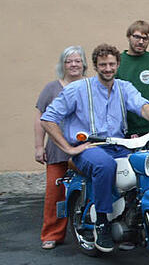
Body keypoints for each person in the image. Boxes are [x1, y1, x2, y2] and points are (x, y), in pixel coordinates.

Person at [40, 44, 149, 253]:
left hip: (117, 144)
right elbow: (48, 119)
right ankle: (101, 222)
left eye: (111, 64)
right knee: (104, 166)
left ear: (117, 65)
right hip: (89, 147)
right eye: (103, 64)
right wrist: (69, 148)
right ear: (95, 66)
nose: (107, 68)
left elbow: (141, 105)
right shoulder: (77, 90)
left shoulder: (124, 87)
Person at [34, 46, 87, 250]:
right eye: (69, 61)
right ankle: (52, 234)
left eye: (77, 60)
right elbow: (40, 118)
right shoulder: (51, 88)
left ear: (83, 64)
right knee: (55, 194)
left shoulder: (91, 86)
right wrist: (39, 146)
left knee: (87, 191)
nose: (73, 64)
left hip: (84, 149)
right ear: (62, 65)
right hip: (57, 151)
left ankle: (89, 230)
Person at [116, 21, 149, 149]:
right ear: (129, 36)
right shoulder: (116, 63)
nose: (140, 41)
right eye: (137, 37)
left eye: (145, 38)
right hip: (125, 132)